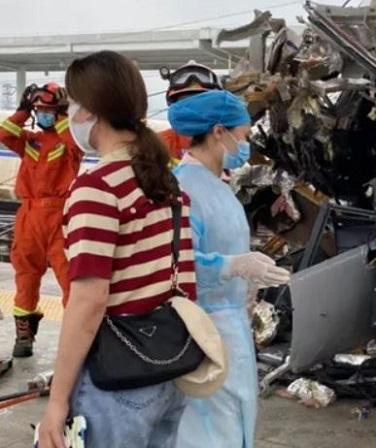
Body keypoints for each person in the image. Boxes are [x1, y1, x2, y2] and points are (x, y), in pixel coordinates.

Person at [37, 51, 197, 448]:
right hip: (168, 370)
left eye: (72, 104)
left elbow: (88, 303)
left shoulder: (98, 187)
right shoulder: (165, 181)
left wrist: (57, 400)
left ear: (90, 110)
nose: (68, 114)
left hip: (118, 381)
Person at [169, 90, 291, 447]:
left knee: (235, 421)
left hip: (231, 325)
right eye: (244, 135)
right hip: (202, 331)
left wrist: (249, 280)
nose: (246, 144)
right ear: (218, 132)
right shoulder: (185, 188)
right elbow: (178, 262)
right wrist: (234, 265)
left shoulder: (217, 186)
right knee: (209, 431)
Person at [0, 81, 80, 357]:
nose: (43, 114)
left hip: (60, 216)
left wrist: (62, 118)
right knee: (25, 275)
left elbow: (75, 143)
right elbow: (4, 133)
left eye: (49, 109)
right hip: (29, 215)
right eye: (39, 110)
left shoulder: (70, 141)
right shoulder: (29, 140)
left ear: (59, 111)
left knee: (70, 278)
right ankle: (24, 337)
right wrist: (22, 111)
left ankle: (75, 340)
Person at [159, 61, 223, 161]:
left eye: (202, 102)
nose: (193, 110)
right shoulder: (159, 144)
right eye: (186, 102)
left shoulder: (229, 144)